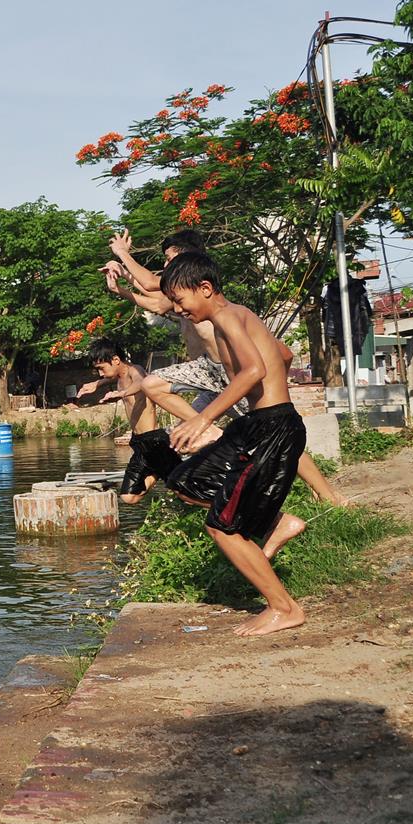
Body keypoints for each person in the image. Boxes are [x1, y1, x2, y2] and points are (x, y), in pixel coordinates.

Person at [103, 230, 346, 505]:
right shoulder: (188, 298)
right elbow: (154, 300)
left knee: (270, 432)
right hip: (209, 374)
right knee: (193, 436)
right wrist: (122, 287)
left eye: (170, 259)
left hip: (219, 373)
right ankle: (211, 472)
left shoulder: (214, 305)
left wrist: (122, 256)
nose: (166, 266)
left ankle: (323, 494)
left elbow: (148, 283)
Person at [158, 252, 309, 637]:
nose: (178, 309)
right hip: (257, 423)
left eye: (179, 300)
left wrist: (202, 417)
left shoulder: (226, 316)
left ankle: (284, 608)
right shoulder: (239, 314)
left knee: (222, 527)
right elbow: (284, 354)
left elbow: (255, 369)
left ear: (205, 288)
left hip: (273, 427)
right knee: (185, 481)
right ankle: (276, 522)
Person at [77, 339, 181, 504]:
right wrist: (96, 384)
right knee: (129, 497)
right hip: (139, 442)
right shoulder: (120, 377)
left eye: (101, 368)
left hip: (155, 440)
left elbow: (142, 383)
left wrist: (122, 393)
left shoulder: (135, 370)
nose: (100, 373)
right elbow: (112, 378)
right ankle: (157, 472)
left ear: (116, 360)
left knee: (184, 492)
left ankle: (162, 472)